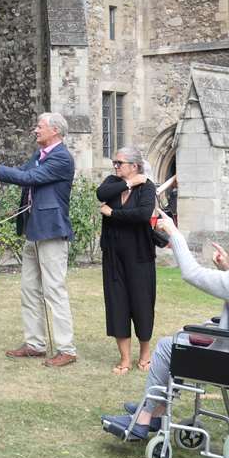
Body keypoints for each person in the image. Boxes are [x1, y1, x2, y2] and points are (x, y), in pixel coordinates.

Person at [101, 211, 229, 440]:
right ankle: (157, 410)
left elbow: (192, 274)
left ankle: (144, 419)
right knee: (184, 341)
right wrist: (226, 270)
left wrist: (174, 233)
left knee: (168, 346)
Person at [0, 113, 77, 367]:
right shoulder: (39, 156)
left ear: (55, 130)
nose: (35, 130)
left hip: (52, 230)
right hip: (33, 229)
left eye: (39, 127)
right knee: (29, 289)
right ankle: (35, 344)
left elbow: (30, 179)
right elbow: (20, 174)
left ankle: (67, 349)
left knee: (54, 290)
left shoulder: (62, 157)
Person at [97, 146, 157, 375]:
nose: (115, 166)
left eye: (119, 163)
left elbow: (142, 215)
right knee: (117, 304)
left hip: (140, 255)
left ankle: (144, 354)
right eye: (115, 162)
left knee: (142, 304)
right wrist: (128, 183)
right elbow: (100, 195)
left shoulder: (147, 188)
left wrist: (113, 214)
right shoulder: (113, 183)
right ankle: (124, 359)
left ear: (134, 165)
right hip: (113, 255)